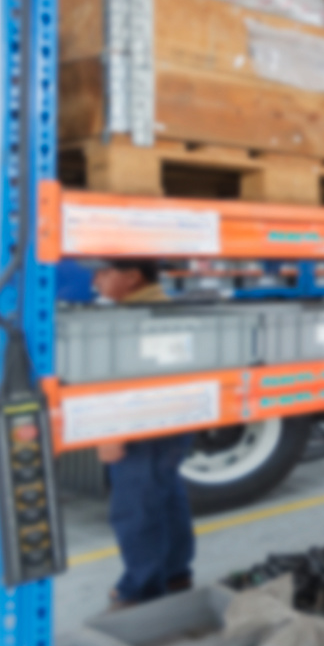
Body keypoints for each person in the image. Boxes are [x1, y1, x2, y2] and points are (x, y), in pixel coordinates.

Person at [92, 261, 196, 608]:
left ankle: (141, 591)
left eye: (105, 272)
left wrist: (113, 433)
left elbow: (137, 382)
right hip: (170, 422)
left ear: (133, 276)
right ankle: (175, 572)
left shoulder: (139, 316)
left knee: (135, 506)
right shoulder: (158, 308)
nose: (96, 280)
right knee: (165, 494)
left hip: (144, 426)